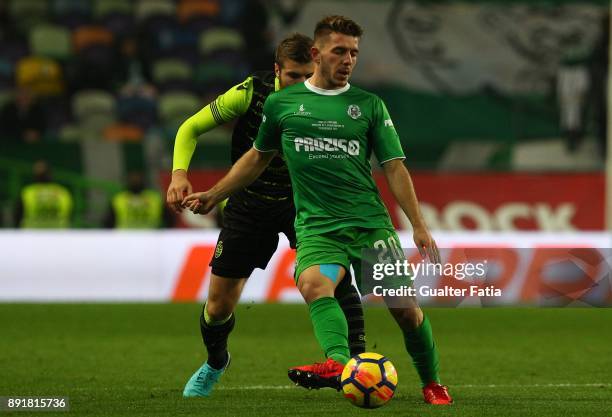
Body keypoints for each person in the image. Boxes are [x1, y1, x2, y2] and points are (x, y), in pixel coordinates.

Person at [182, 16, 453, 405]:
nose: (348, 60)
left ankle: (433, 382)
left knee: (405, 311)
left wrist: (420, 226)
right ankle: (340, 363)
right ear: (317, 53)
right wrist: (215, 194)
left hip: (369, 226)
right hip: (317, 226)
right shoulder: (281, 104)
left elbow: (394, 166)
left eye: (354, 53)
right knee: (313, 284)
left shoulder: (368, 105)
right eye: (339, 51)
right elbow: (256, 159)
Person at [166, 33, 367, 398]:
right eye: (292, 76)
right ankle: (215, 361)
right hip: (249, 203)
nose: (301, 84)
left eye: (308, 74)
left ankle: (355, 366)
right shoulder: (250, 92)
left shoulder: (330, 97)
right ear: (277, 71)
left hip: (303, 204)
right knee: (218, 306)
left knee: (335, 280)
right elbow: (190, 128)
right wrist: (179, 173)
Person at [104, 171, 173, 229]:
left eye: (137, 177)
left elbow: (169, 219)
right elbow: (108, 222)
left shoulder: (154, 198)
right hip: (126, 239)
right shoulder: (119, 199)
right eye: (133, 178)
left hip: (148, 239)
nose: (135, 180)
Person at [14, 160, 73, 228]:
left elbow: (17, 215)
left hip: (32, 234)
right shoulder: (62, 192)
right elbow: (69, 214)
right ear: (50, 174)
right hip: (58, 234)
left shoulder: (28, 192)